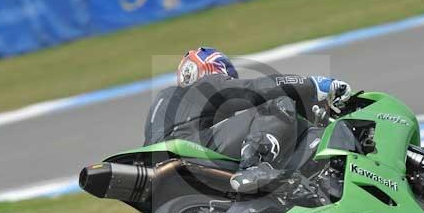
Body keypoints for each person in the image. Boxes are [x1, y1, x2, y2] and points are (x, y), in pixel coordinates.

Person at [144, 47, 351, 193]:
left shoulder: (165, 103)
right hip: (190, 150)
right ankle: (255, 165)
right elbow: (256, 89)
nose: (227, 79)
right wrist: (313, 84)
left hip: (156, 171)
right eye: (226, 74)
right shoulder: (204, 86)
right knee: (277, 103)